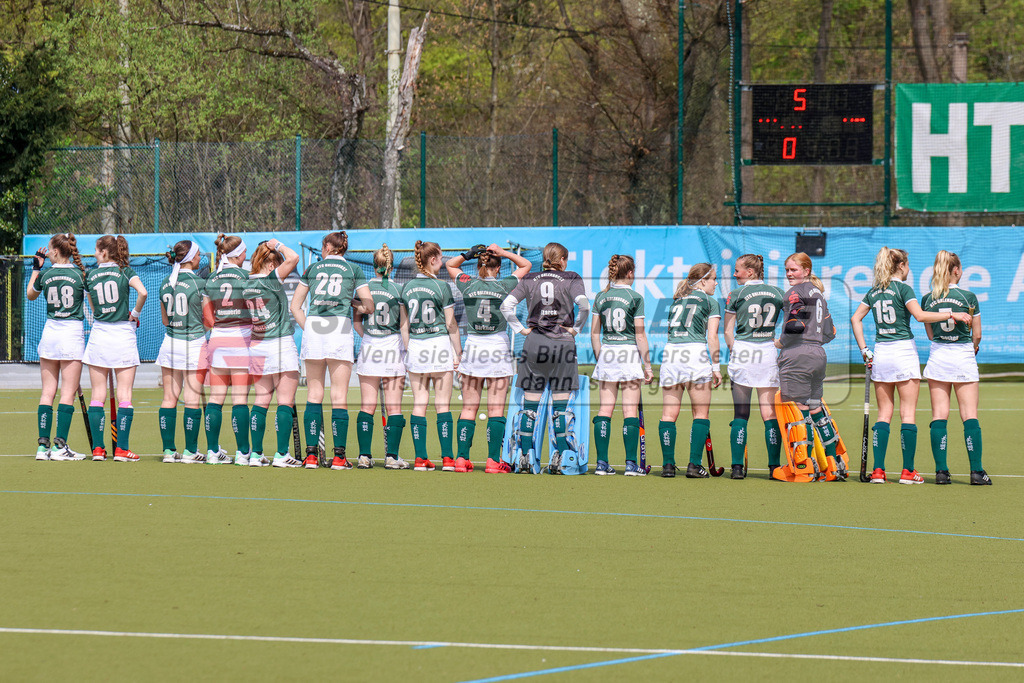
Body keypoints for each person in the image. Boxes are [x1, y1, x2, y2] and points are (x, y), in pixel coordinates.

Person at [850, 247, 971, 484]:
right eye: (908, 265)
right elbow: (921, 316)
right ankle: (907, 471)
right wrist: (952, 314)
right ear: (902, 266)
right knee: (907, 414)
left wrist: (865, 349)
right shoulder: (903, 288)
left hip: (881, 353)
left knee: (884, 413)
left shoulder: (874, 291)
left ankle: (878, 471)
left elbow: (855, 318)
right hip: (903, 351)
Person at [499, 242, 589, 473]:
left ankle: (525, 458)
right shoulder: (571, 277)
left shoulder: (530, 278)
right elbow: (584, 306)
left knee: (530, 406)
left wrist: (521, 329)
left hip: (534, 344)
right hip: (562, 345)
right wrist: (575, 329)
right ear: (561, 260)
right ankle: (559, 458)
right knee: (560, 407)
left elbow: (506, 306)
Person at [290, 231, 373, 469]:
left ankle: (312, 456)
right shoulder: (353, 270)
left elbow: (296, 307)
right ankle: (339, 457)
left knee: (314, 395)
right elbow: (368, 306)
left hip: (315, 331)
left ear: (328, 246)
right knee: (339, 397)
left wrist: (311, 329)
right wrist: (352, 302)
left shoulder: (313, 270)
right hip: (339, 331)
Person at [445, 243, 531, 473]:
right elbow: (526, 264)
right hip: (497, 348)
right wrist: (503, 252)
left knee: (468, 408)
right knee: (496, 409)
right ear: (499, 268)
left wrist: (468, 254)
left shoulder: (468, 283)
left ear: (478, 265)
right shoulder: (505, 284)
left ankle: (461, 460)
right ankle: (493, 461)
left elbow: (449, 265)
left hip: (474, 347)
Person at [920, 250, 989, 485]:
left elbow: (930, 334)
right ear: (956, 270)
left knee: (939, 415)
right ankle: (977, 473)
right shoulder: (969, 296)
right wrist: (974, 346)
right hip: (962, 354)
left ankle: (941, 472)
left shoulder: (928, 299)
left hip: (939, 355)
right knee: (969, 415)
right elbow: (977, 335)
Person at [775, 252, 841, 477]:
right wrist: (814, 341)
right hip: (818, 355)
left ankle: (805, 465)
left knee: (799, 412)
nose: (789, 274)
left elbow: (795, 325)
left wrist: (780, 341)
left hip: (797, 356)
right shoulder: (819, 294)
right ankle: (832, 465)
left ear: (806, 271)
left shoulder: (796, 292)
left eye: (793, 270)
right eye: (787, 270)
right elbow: (831, 331)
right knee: (816, 408)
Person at [83, 235, 147, 462]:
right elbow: (143, 293)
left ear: (103, 252)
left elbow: (92, 306)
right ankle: (122, 449)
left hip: (100, 334)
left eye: (95, 250)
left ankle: (98, 449)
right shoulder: (125, 272)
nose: (93, 253)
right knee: (125, 396)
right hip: (122, 334)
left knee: (97, 395)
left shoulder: (89, 275)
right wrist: (134, 315)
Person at [26, 233, 89, 460]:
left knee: (47, 393)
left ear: (54, 252)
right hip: (71, 334)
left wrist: (36, 268)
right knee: (67, 394)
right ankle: (60, 447)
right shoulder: (81, 274)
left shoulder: (46, 274)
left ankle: (42, 447)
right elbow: (91, 305)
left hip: (50, 334)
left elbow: (30, 294)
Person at [401, 240, 463, 471]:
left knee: (419, 403)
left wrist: (409, 351)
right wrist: (459, 352)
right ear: (433, 259)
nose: (443, 261)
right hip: (438, 345)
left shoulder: (406, 288)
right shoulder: (442, 287)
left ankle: (420, 458)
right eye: (441, 257)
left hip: (417, 347)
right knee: (442, 404)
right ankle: (447, 459)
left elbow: (404, 326)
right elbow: (451, 323)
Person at [590, 255, 653, 476]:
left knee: (605, 410)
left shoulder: (601, 296)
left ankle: (601, 464)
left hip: (607, 352)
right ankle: (630, 464)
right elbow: (640, 335)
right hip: (628, 354)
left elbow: (594, 333)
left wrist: (601, 358)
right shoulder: (635, 297)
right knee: (629, 410)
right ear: (630, 273)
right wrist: (647, 365)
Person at [658, 263, 722, 478]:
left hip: (671, 354)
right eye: (713, 278)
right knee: (700, 413)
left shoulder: (677, 300)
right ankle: (694, 465)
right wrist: (716, 367)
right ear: (703, 281)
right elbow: (712, 337)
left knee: (668, 414)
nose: (716, 282)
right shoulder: (710, 302)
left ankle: (668, 466)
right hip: (694, 354)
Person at [723, 254, 784, 478]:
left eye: (738, 270)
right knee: (769, 413)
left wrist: (734, 351)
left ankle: (737, 467)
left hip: (743, 351)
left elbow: (728, 331)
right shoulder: (778, 293)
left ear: (750, 272)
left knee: (741, 413)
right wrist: (778, 343)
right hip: (767, 351)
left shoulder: (736, 294)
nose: (734, 273)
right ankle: (774, 467)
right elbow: (790, 324)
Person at [156, 240, 215, 464]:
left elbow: (164, 320)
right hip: (193, 344)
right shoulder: (199, 283)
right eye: (198, 254)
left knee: (169, 399)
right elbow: (209, 320)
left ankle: (169, 451)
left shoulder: (165, 282)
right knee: (191, 399)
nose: (200, 257)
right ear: (190, 257)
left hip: (170, 343)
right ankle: (190, 451)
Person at [244, 238, 302, 468]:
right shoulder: (270, 280)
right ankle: (281, 454)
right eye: (276, 265)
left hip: (257, 345)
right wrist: (277, 245)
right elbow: (294, 258)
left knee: (261, 400)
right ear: (270, 266)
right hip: (279, 343)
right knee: (285, 401)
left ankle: (256, 454)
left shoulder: (247, 284)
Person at [353, 244, 410, 470]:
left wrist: (369, 336)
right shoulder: (399, 289)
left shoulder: (363, 290)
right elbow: (404, 324)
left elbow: (357, 322)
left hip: (369, 347)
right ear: (391, 266)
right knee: (394, 407)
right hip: (393, 347)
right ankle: (392, 457)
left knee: (367, 405)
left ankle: (364, 457)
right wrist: (408, 352)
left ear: (373, 267)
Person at [204, 233, 253, 466]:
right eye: (245, 252)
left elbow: (207, 314)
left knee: (215, 398)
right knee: (240, 400)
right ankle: (243, 453)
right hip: (241, 339)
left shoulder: (212, 277)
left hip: (217, 338)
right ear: (239, 254)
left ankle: (212, 452)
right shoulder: (247, 276)